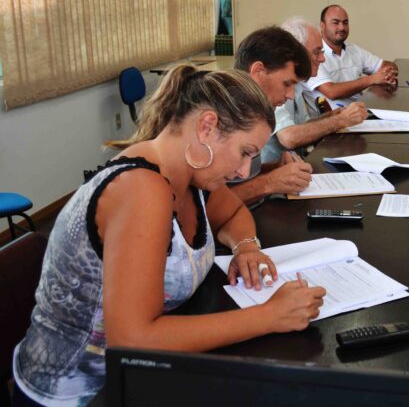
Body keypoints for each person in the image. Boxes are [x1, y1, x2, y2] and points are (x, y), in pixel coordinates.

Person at [12, 66, 327, 405]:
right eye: (245, 152)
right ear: (206, 127)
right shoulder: (140, 189)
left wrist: (246, 247)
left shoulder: (192, 173)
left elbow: (234, 213)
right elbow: (130, 341)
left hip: (146, 375)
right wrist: (269, 316)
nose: (243, 171)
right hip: (79, 392)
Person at [258, 16, 369, 165]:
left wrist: (331, 117)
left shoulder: (297, 84)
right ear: (295, 52)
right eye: (317, 52)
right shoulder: (276, 85)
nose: (323, 59)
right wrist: (340, 120)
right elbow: (289, 137)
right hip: (273, 176)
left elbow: (301, 127)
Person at [229, 26, 317, 203]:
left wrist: (274, 169)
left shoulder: (255, 112)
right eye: (286, 84)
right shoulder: (225, 117)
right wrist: (269, 183)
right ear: (258, 72)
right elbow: (207, 207)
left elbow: (238, 178)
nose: (291, 95)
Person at [307, 4, 399, 105]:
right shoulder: (314, 55)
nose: (342, 27)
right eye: (335, 23)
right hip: (334, 117)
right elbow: (332, 92)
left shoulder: (354, 50)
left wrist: (388, 73)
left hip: (361, 110)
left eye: (345, 23)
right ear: (322, 26)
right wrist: (371, 79)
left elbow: (386, 65)